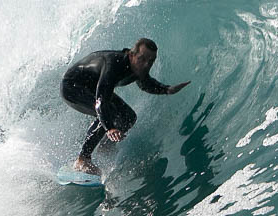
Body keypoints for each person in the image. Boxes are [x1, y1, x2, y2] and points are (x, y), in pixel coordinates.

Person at [61, 38, 190, 175]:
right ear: (131, 55)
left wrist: (166, 89)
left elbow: (145, 84)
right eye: (142, 59)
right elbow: (101, 100)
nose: (146, 64)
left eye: (151, 61)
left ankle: (105, 146)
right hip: (72, 86)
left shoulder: (138, 68)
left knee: (128, 116)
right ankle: (83, 160)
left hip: (93, 88)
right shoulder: (113, 65)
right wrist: (110, 128)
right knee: (106, 113)